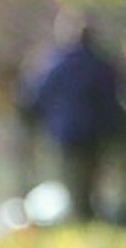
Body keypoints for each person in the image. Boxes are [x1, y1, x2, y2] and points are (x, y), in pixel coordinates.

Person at [18, 12, 125, 221]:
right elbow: (112, 100)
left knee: (74, 180)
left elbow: (37, 96)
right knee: (93, 177)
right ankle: (91, 216)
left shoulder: (55, 64)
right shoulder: (103, 65)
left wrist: (33, 119)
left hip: (67, 133)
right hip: (97, 132)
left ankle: (82, 217)